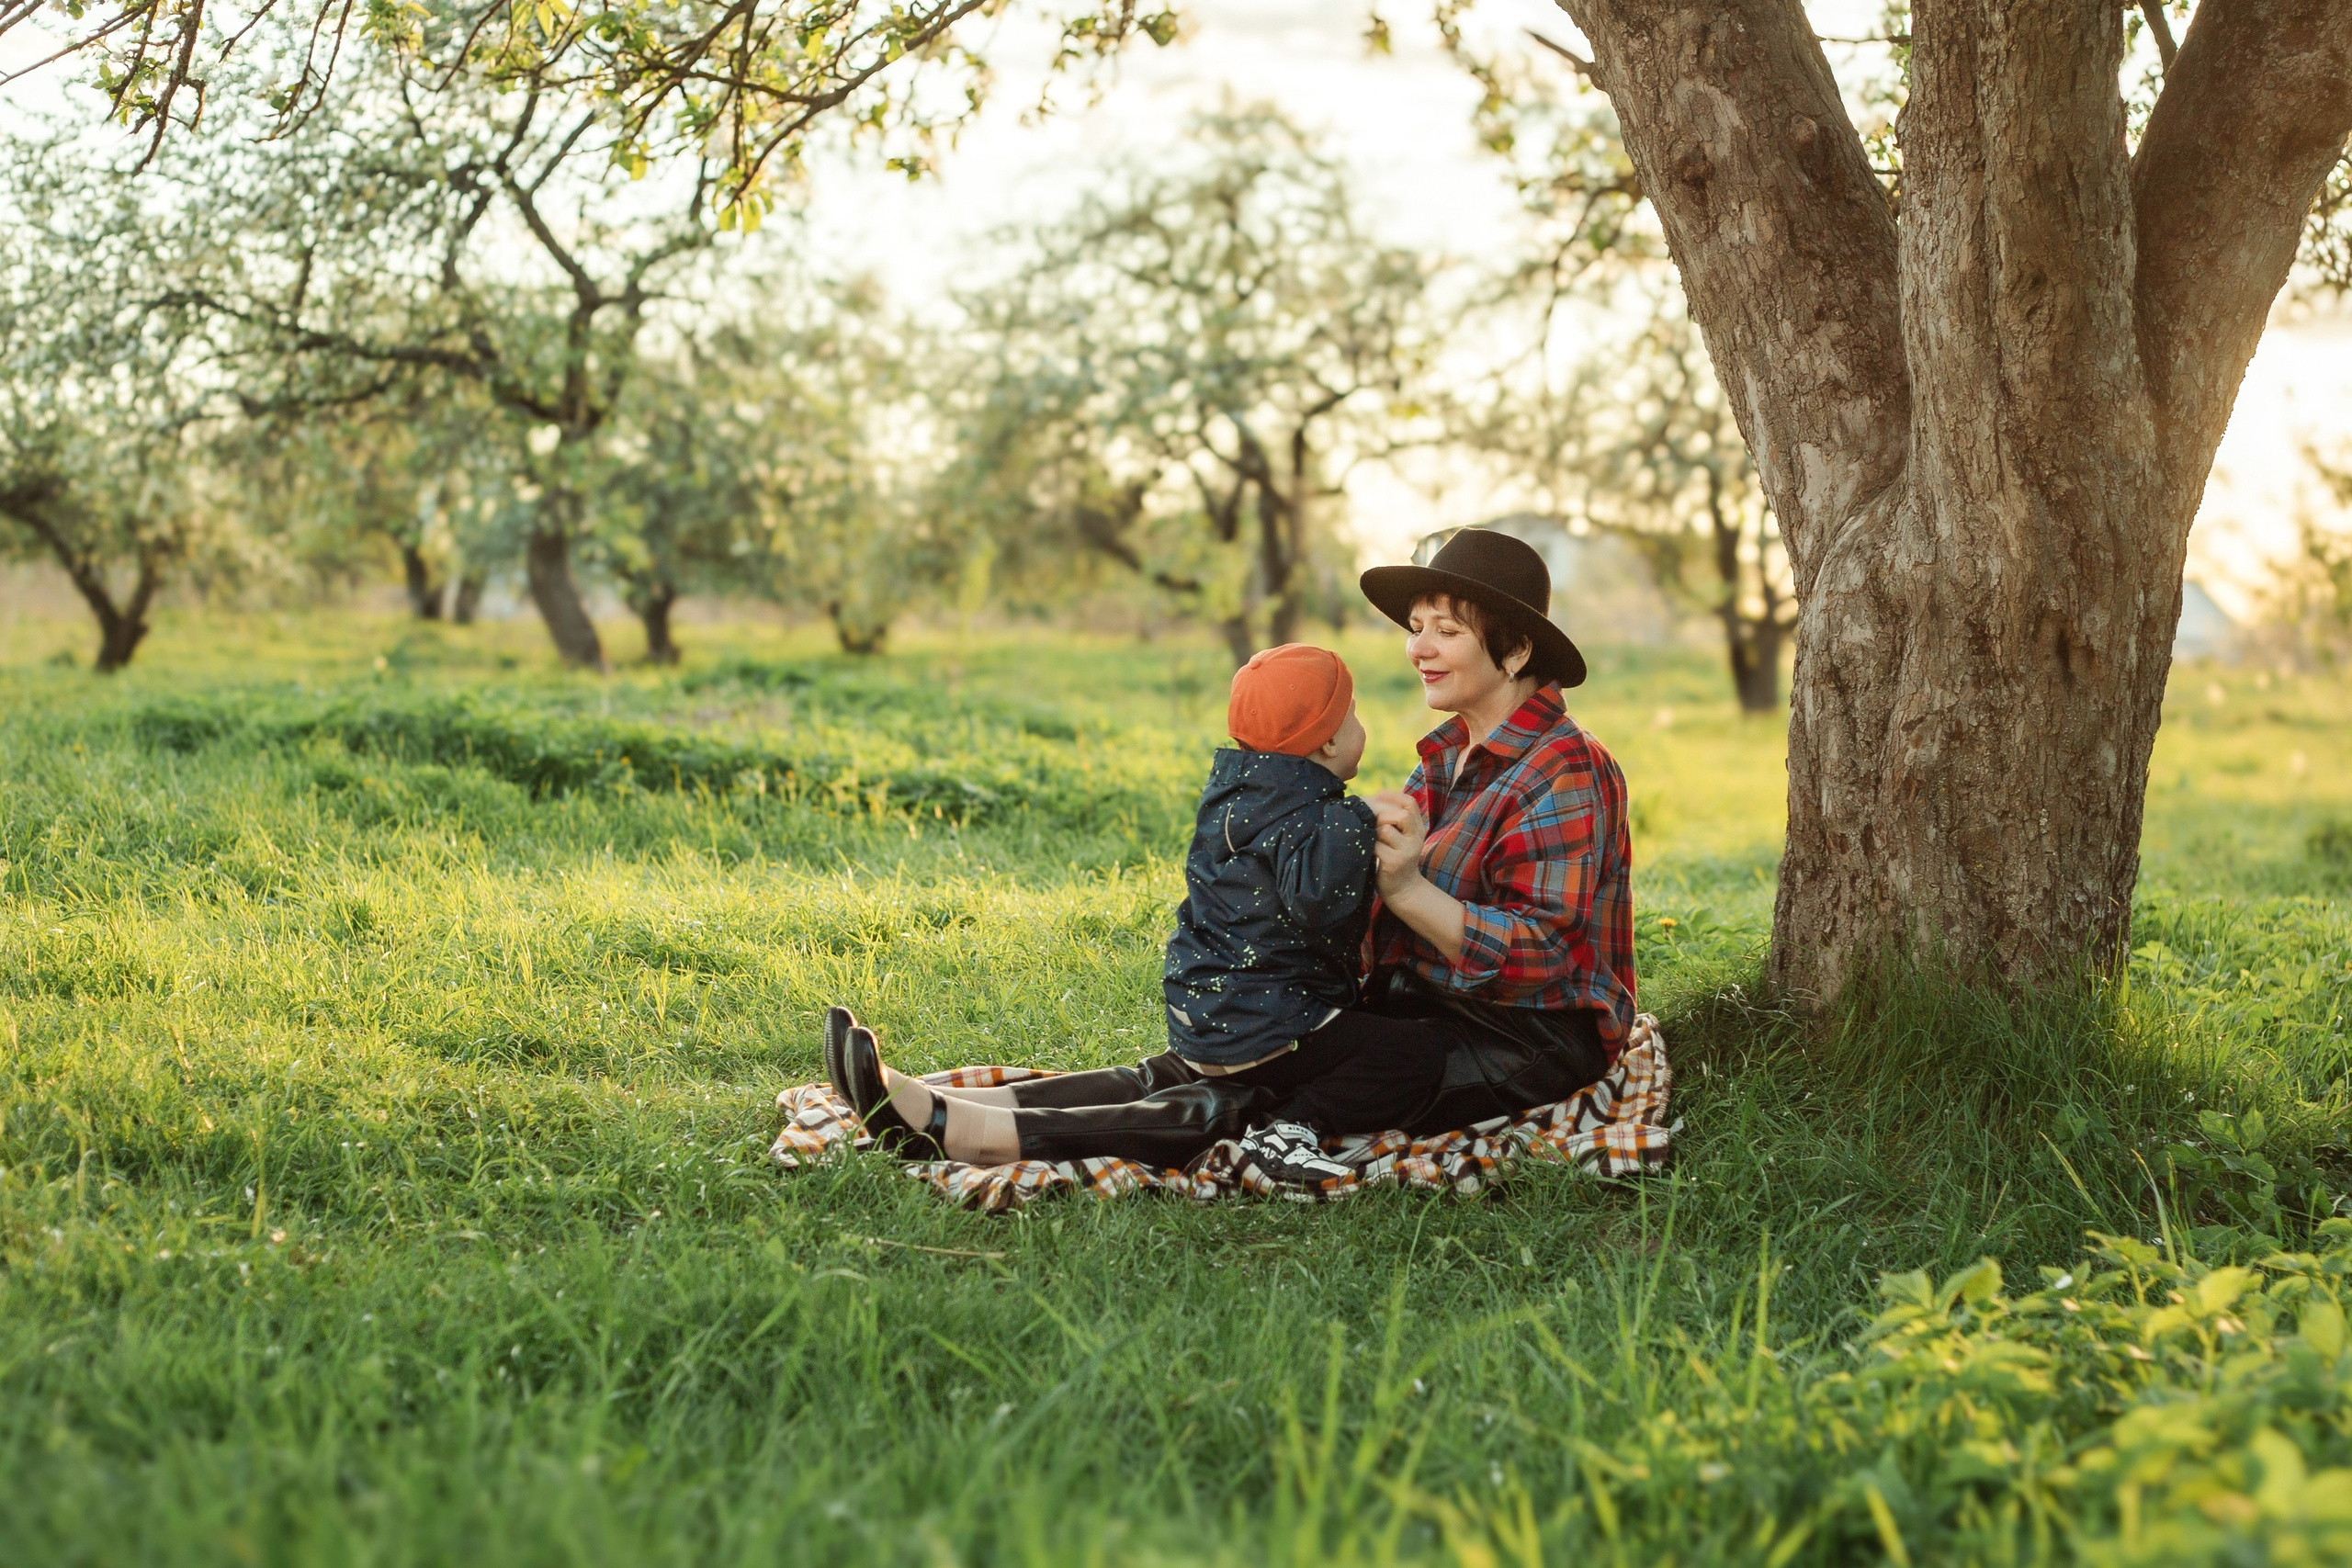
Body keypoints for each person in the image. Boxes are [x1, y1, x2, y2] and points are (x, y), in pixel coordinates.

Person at [825, 527, 1636, 1181]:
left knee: (1253, 1098)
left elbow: (1544, 955)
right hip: (1419, 1005)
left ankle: (960, 1133)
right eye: (1416, 627)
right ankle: (928, 1102)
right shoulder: (1443, 755)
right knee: (1210, 1065)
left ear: (1516, 651)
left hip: (1526, 1035)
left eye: (1447, 630)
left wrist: (1406, 890)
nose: (1418, 647)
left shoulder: (1564, 769)